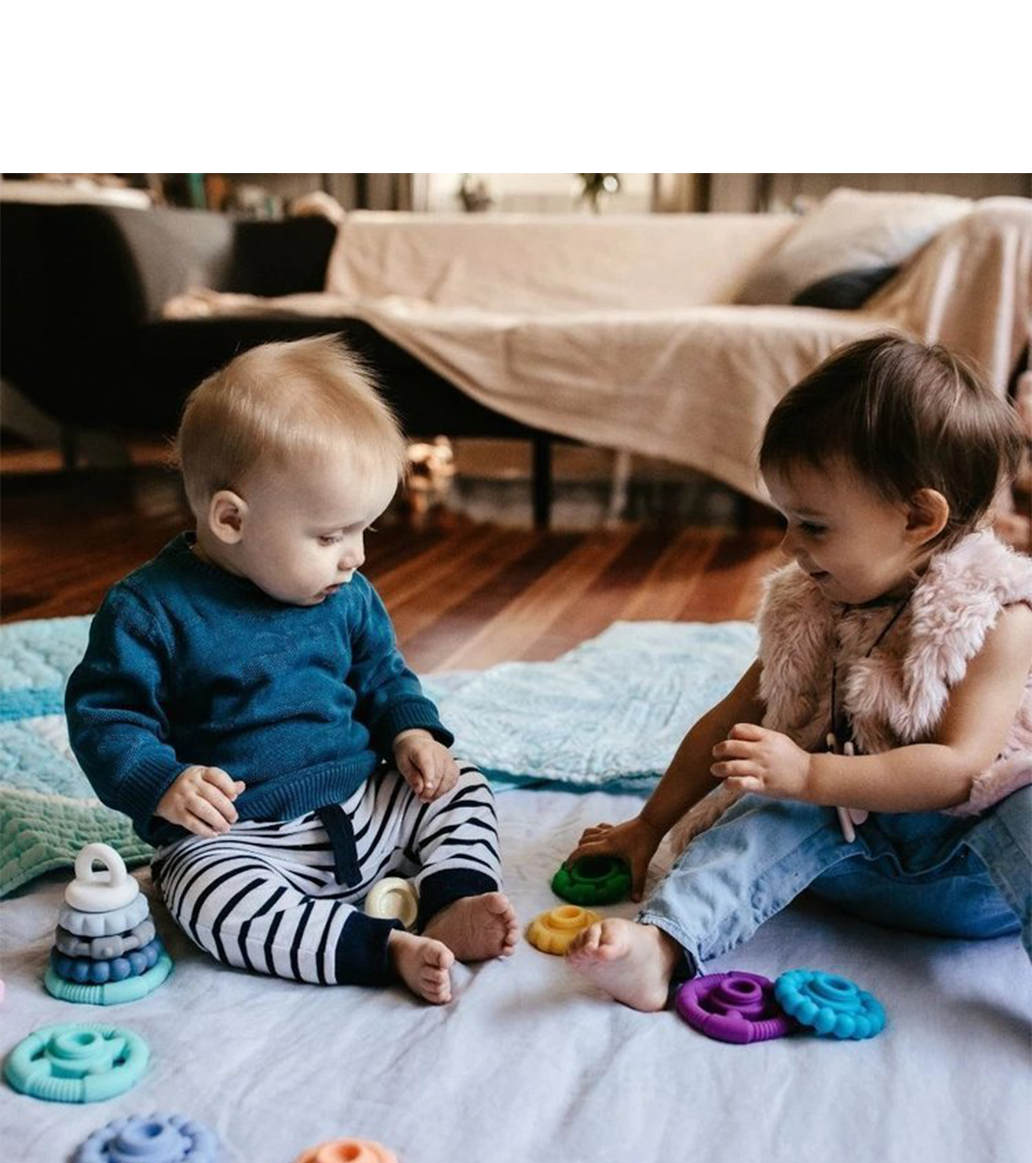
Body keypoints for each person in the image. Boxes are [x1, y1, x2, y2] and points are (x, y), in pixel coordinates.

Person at [566, 333, 1032, 1010]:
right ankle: (663, 947)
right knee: (768, 799)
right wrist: (650, 824)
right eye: (786, 519)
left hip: (972, 875)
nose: (788, 546)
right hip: (848, 852)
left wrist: (813, 773)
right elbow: (732, 723)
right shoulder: (810, 604)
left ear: (918, 517)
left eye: (813, 526)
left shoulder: (996, 616)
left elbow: (959, 768)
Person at [66, 336, 517, 1005]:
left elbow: (382, 673)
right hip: (242, 837)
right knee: (203, 896)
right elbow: (106, 715)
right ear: (230, 519)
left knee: (463, 784)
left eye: (364, 531)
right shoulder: (149, 611)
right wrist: (164, 783)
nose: (355, 557)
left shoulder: (345, 595)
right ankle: (373, 948)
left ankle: (452, 896)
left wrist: (410, 735)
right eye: (330, 536)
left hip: (364, 802)